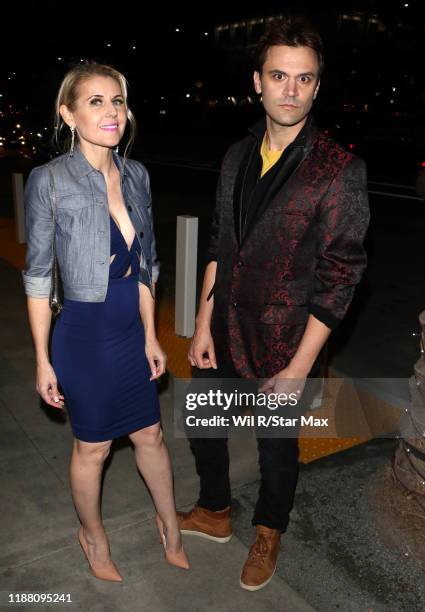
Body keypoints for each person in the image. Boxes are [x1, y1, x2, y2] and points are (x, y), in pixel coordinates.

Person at [180, 16, 370, 591]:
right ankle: (214, 509)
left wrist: (298, 368)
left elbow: (341, 276)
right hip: (224, 325)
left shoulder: (340, 170)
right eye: (279, 76)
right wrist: (201, 323)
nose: (290, 90)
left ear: (318, 86)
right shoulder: (237, 155)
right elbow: (220, 242)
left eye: (304, 79)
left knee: (275, 449)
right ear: (257, 82)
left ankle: (269, 530)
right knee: (203, 424)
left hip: (288, 342)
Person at [22, 62, 189, 581]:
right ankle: (92, 537)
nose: (111, 111)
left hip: (128, 330)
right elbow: (37, 276)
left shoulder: (136, 175)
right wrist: (42, 359)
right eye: (95, 101)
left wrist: (151, 335)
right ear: (67, 113)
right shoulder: (49, 181)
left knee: (151, 436)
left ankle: (171, 526)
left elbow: (148, 266)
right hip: (83, 335)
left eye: (116, 100)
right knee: (91, 447)